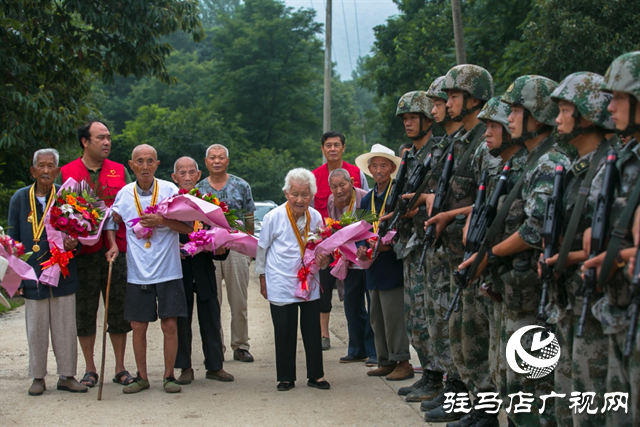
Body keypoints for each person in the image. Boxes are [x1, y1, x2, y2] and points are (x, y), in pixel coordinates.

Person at [459, 75, 570, 427]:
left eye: (517, 111)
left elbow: (535, 228)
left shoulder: (549, 161)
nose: (510, 119)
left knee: (530, 390)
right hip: (514, 288)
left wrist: (488, 256)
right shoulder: (529, 160)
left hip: (533, 293)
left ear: (536, 116)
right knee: (512, 385)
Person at [542, 71, 615, 427]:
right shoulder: (577, 168)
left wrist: (566, 258)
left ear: (586, 114)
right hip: (570, 301)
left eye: (565, 110)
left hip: (597, 304)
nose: (557, 119)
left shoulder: (609, 168)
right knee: (569, 401)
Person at [108, 144, 192, 394]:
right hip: (138, 271)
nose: (145, 166)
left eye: (150, 161)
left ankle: (169, 376)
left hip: (168, 269)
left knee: (169, 325)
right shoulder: (124, 194)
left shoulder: (170, 190)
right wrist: (112, 244)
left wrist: (162, 221)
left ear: (157, 164)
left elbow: (188, 228)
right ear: (131, 165)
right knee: (138, 326)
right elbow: (111, 221)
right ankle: (142, 377)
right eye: (140, 161)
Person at [56, 120, 133, 388]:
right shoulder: (66, 172)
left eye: (109, 137)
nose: (107, 142)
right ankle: (90, 368)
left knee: (118, 310)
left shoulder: (119, 171)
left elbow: (129, 207)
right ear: (84, 142)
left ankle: (121, 367)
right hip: (82, 254)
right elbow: (58, 215)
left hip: (115, 250)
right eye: (100, 138)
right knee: (85, 311)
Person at [8, 149, 88, 395]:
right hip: (31, 274)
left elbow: (81, 229)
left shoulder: (68, 197)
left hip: (63, 269)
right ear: (32, 171)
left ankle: (67, 375)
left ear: (57, 171)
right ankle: (38, 377)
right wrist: (14, 278)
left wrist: (75, 243)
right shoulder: (20, 199)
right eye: (40, 166)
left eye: (50, 166)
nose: (45, 170)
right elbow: (10, 242)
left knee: (65, 326)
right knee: (37, 327)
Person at [385, 90, 442, 403]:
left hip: (429, 245)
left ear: (427, 119)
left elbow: (443, 200)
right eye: (404, 118)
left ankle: (438, 378)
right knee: (415, 317)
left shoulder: (440, 153)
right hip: (410, 245)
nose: (407, 123)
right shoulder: (411, 156)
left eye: (412, 117)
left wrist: (417, 208)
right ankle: (429, 375)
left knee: (430, 316)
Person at [255, 168, 331, 391]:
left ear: (312, 195)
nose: (300, 199)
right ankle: (286, 377)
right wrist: (262, 278)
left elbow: (322, 248)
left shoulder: (315, 216)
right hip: (280, 281)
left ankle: (316, 375)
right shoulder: (273, 217)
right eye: (295, 194)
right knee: (284, 330)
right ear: (286, 193)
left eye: (305, 194)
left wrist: (324, 260)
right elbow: (262, 249)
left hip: (309, 282)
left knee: (312, 330)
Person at [170, 156, 234, 385]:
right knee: (181, 319)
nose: (187, 177)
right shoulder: (169, 204)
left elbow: (221, 238)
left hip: (204, 267)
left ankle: (215, 366)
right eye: (182, 173)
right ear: (174, 177)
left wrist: (220, 246)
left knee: (211, 317)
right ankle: (184, 367)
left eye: (191, 173)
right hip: (178, 270)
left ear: (198, 176)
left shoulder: (209, 203)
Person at [354, 144, 413, 381]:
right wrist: (359, 247)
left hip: (392, 263)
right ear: (369, 169)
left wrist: (389, 245)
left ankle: (403, 361)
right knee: (376, 316)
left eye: (384, 166)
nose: (379, 170)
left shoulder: (398, 194)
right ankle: (385, 359)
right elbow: (359, 231)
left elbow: (406, 229)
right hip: (372, 265)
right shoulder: (367, 198)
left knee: (394, 316)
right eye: (375, 166)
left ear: (391, 168)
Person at [196, 144, 256, 363]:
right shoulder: (199, 187)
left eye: (221, 157)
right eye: (213, 157)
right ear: (206, 162)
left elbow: (249, 217)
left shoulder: (241, 185)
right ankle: (215, 346)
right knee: (213, 301)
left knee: (238, 299)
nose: (217, 161)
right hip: (208, 249)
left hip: (236, 247)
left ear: (227, 161)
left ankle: (241, 345)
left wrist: (248, 245)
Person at [312, 130, 369, 351]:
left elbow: (366, 206)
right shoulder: (315, 176)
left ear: (343, 147)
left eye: (337, 145)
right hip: (326, 244)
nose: (333, 149)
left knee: (356, 295)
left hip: (356, 245)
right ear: (323, 149)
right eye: (328, 145)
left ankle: (361, 340)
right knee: (323, 289)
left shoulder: (356, 173)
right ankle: (324, 334)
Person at [326, 168, 376, 366]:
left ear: (352, 182)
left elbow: (369, 228)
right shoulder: (332, 202)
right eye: (334, 187)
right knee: (351, 305)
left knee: (372, 307)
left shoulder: (364, 198)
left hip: (368, 259)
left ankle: (373, 351)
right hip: (349, 261)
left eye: (342, 185)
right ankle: (357, 349)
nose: (339, 191)